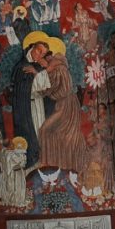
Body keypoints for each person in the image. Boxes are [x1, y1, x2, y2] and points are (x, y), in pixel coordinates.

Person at [35, 42, 87, 174]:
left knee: (45, 130)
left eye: (42, 63)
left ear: (48, 59)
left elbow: (52, 88)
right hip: (65, 104)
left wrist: (38, 88)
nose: (42, 66)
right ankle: (53, 163)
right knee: (55, 133)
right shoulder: (59, 68)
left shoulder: (58, 70)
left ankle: (48, 163)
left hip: (66, 106)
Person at [11, 31, 52, 168]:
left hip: (38, 103)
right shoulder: (21, 65)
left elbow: (46, 87)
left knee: (40, 129)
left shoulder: (39, 67)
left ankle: (40, 157)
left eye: (43, 54)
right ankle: (30, 159)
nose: (40, 55)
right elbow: (19, 85)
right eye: (39, 51)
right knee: (29, 130)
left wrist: (38, 72)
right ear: (32, 47)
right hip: (25, 105)